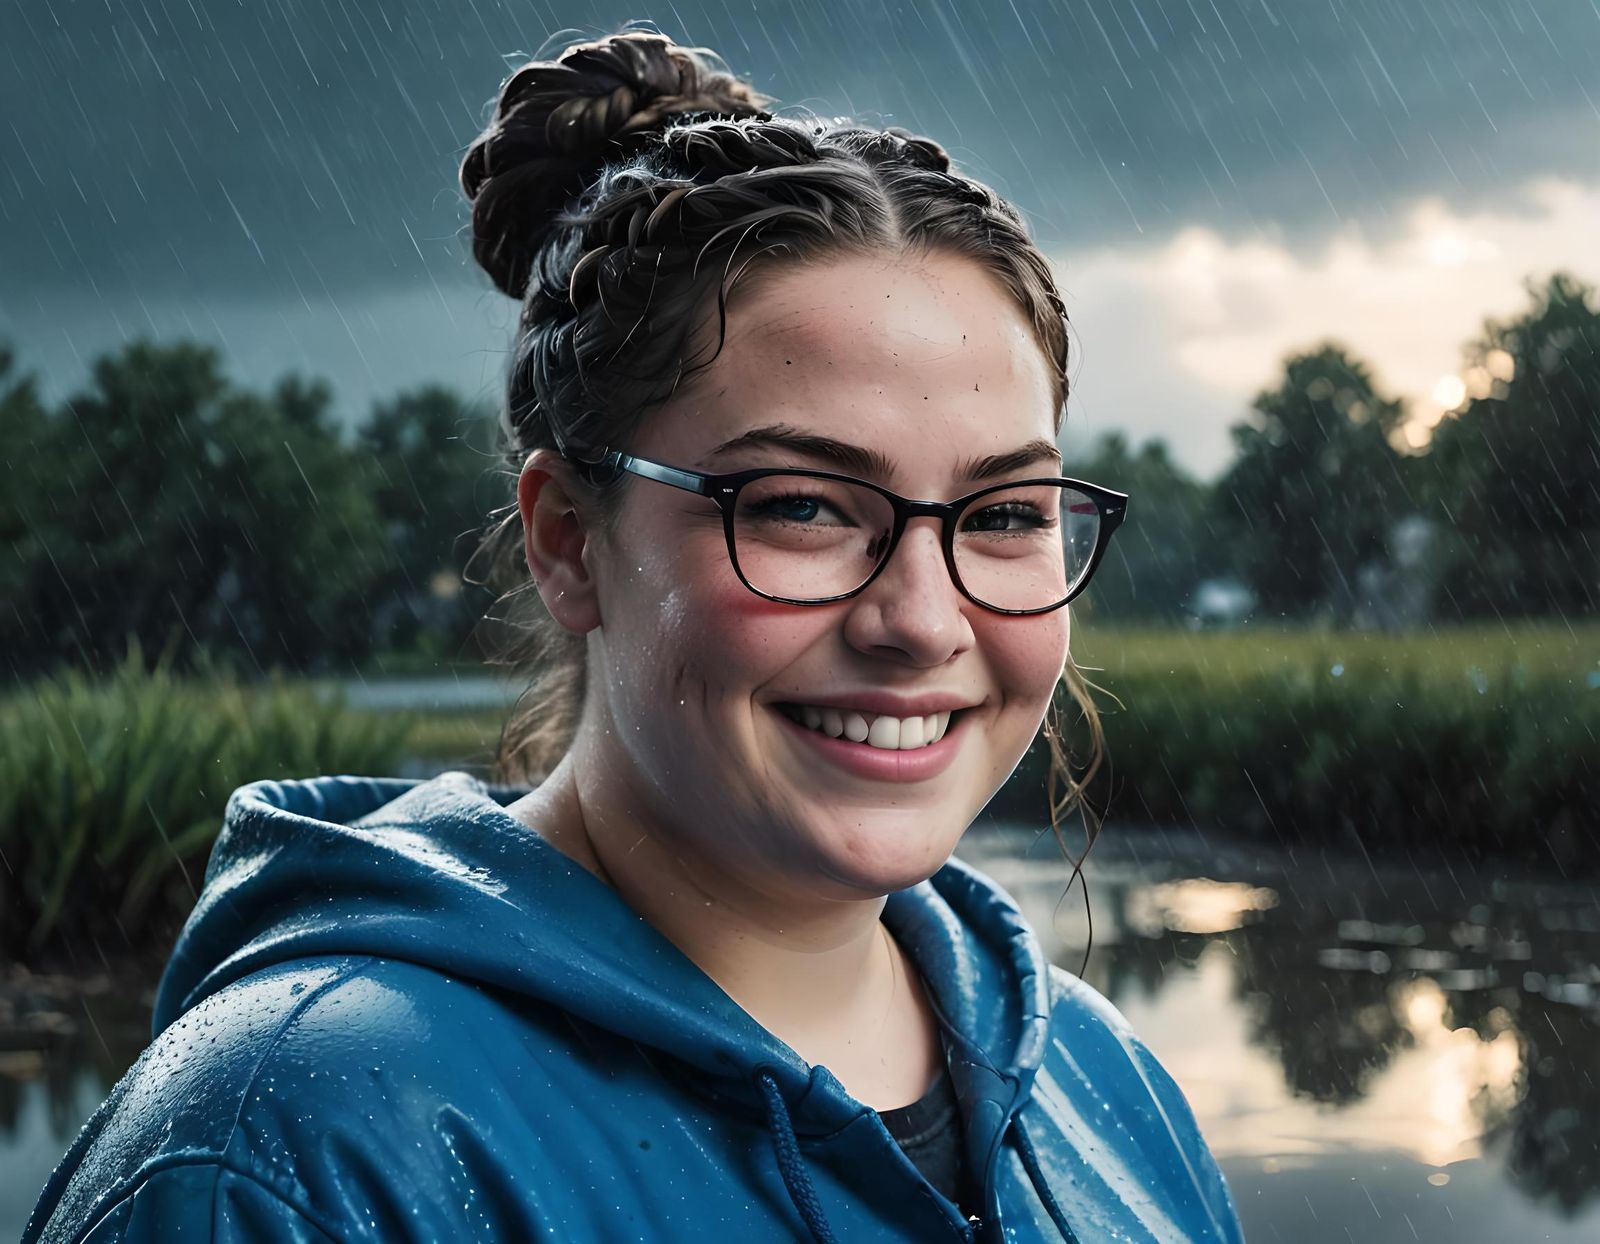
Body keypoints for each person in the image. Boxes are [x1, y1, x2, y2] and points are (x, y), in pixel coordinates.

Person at [24, 26, 1242, 1244]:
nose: (922, 621)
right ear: (567, 540)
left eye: (1006, 513)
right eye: (802, 506)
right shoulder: (291, 1157)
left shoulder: (1108, 1086)